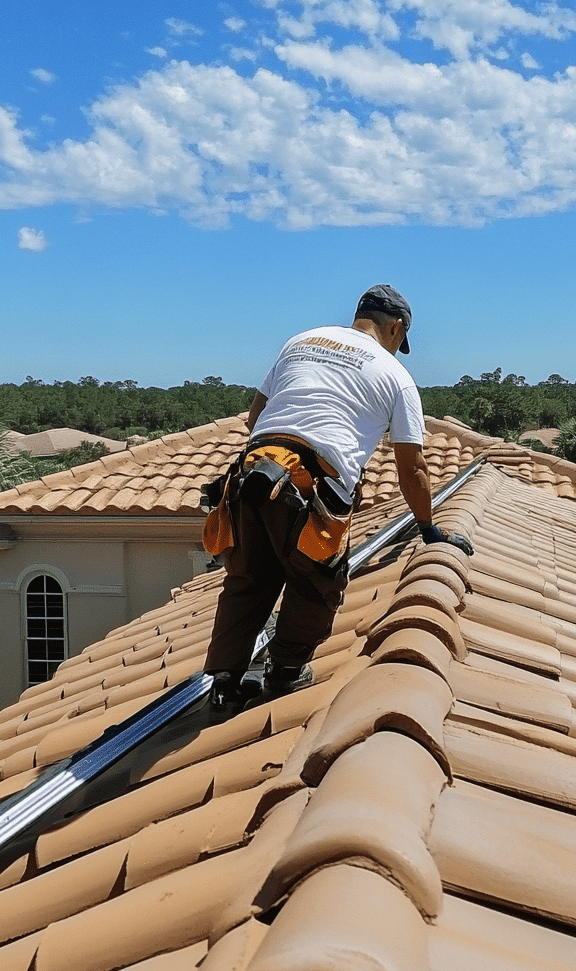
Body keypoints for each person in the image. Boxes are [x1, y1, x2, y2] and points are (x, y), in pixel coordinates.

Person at [202, 284, 473, 713]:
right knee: (315, 582)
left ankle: (223, 680)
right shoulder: (395, 376)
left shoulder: (301, 341)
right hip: (310, 486)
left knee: (248, 579)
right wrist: (428, 529)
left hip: (251, 474)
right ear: (397, 328)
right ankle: (286, 672)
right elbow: (412, 468)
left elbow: (256, 417)